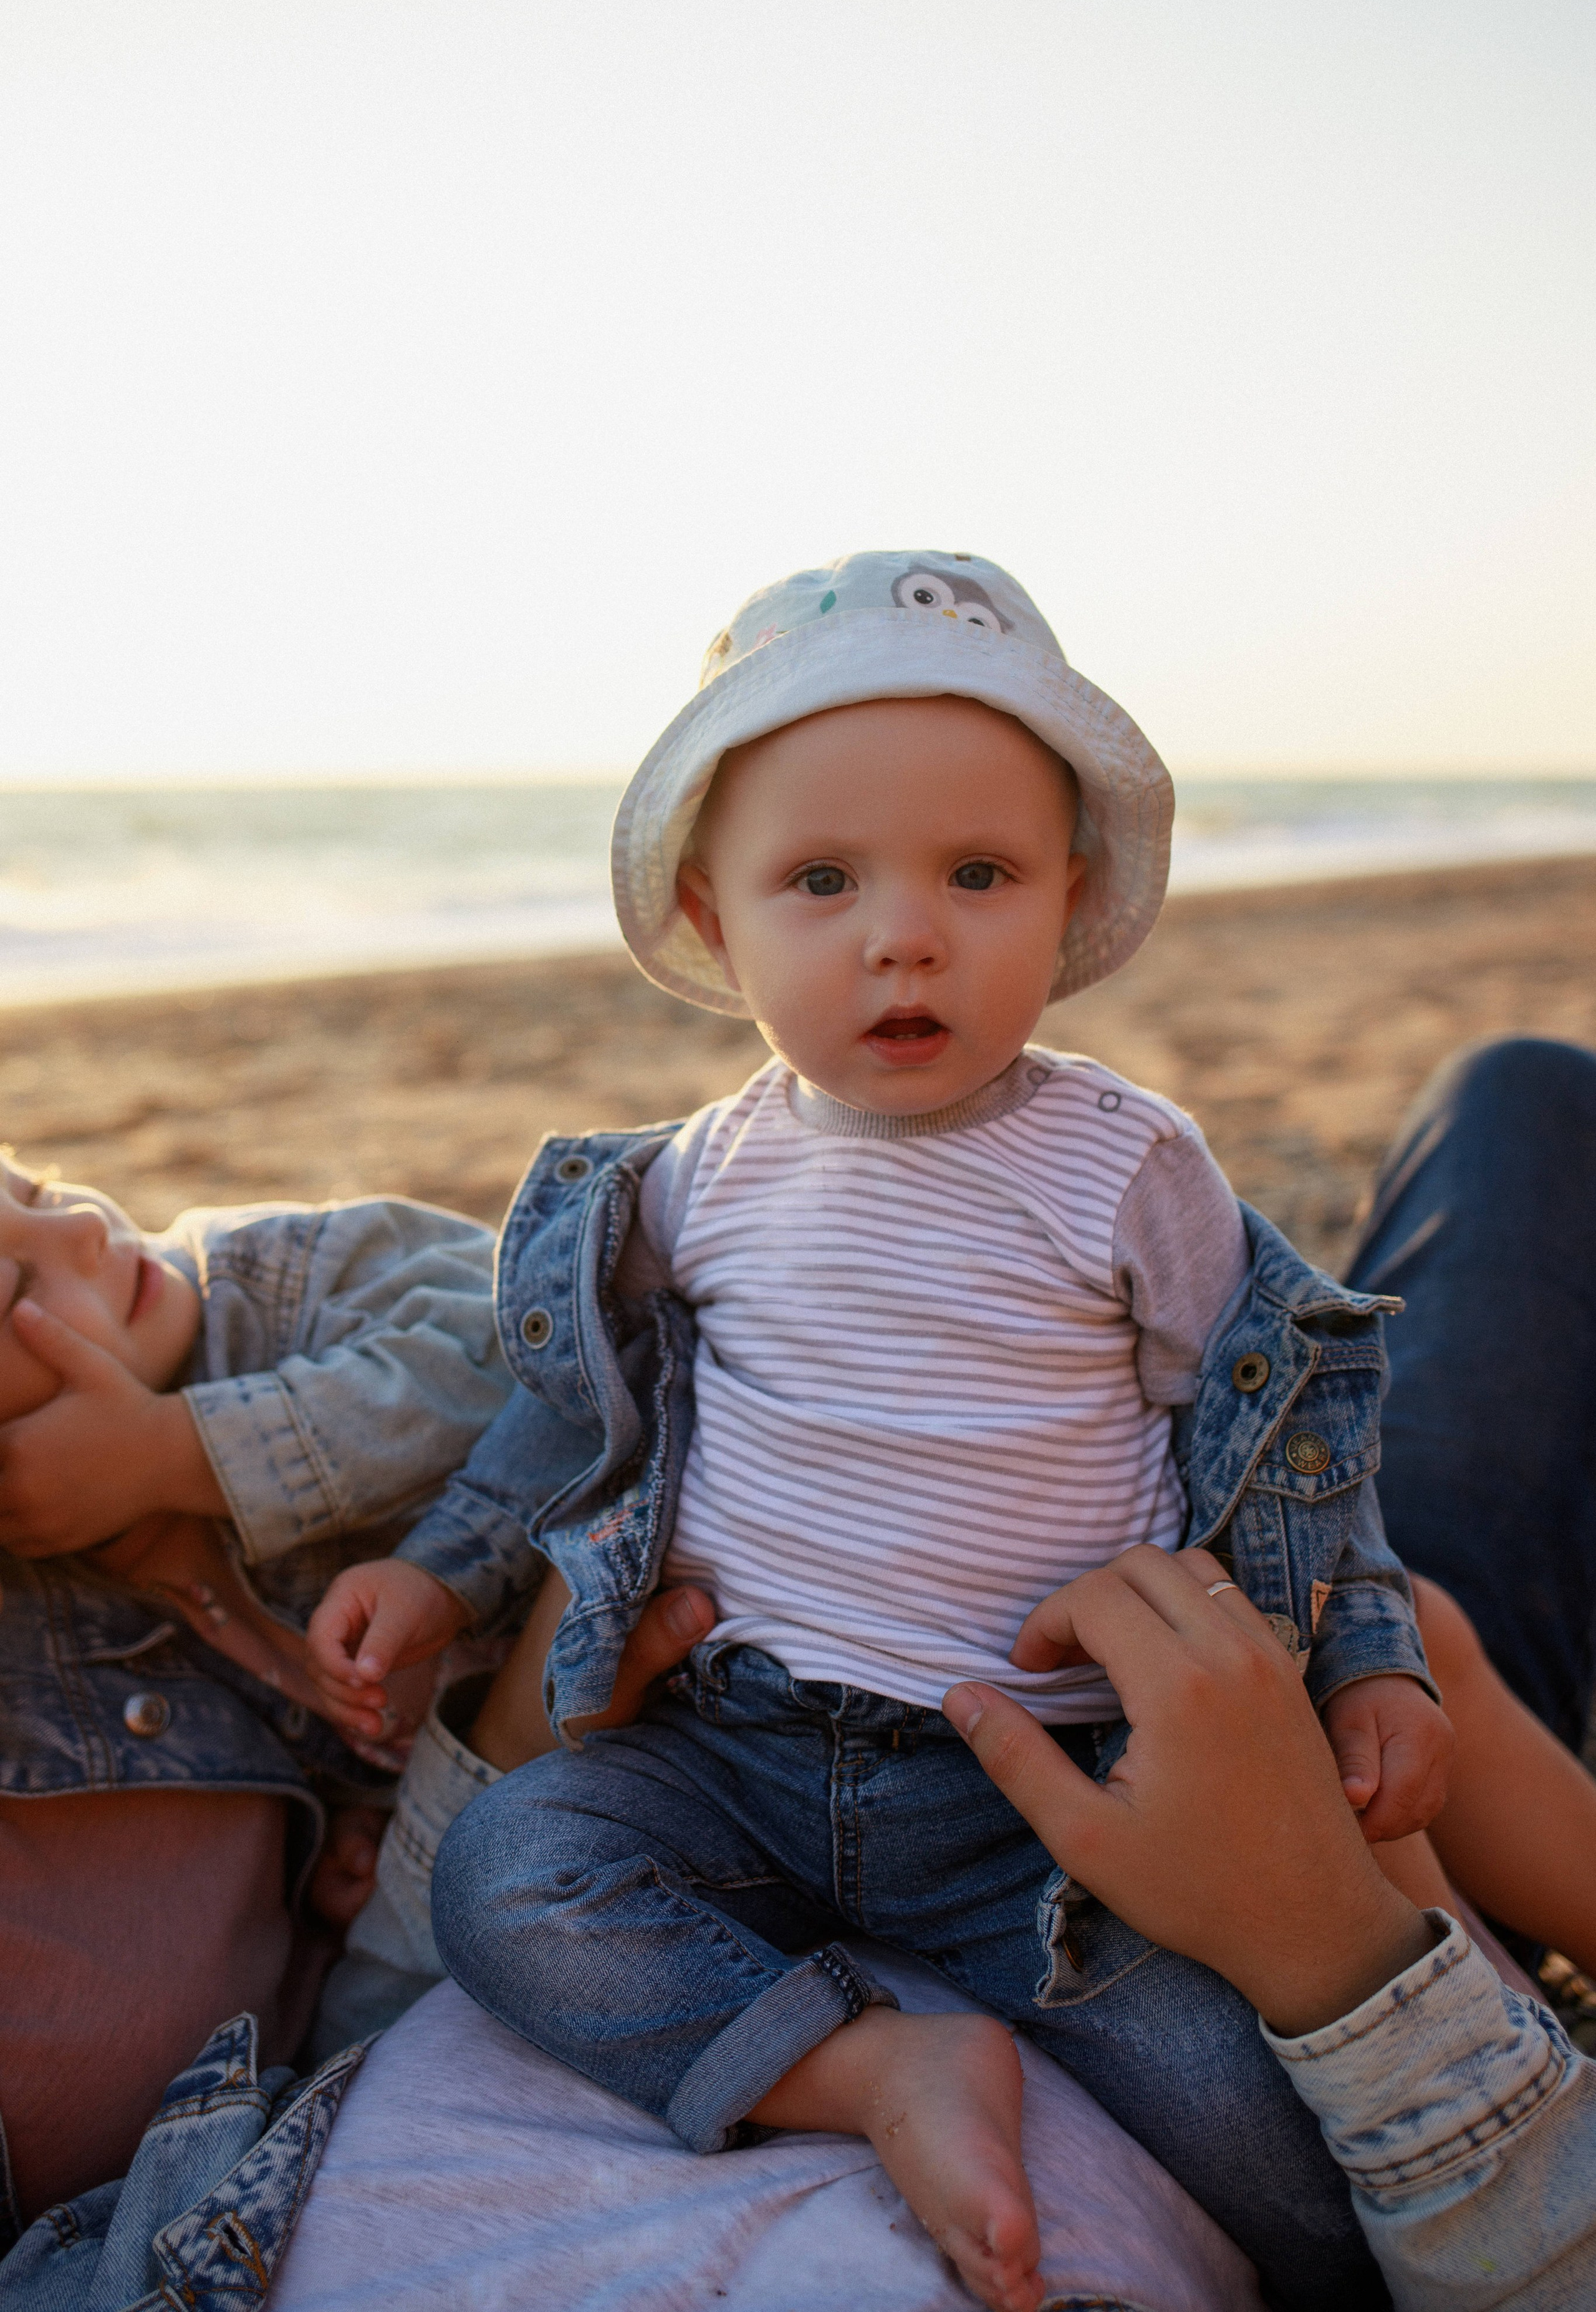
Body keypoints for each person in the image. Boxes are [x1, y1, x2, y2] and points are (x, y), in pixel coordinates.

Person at [307, 551, 1451, 2312]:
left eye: (977, 874)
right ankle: (872, 2068)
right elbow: (567, 1426)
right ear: (714, 917)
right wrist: (441, 1569)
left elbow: (1295, 1428)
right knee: (507, 1876)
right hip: (736, 1755)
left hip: (1046, 1812)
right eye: (821, 880)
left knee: (1296, 2185)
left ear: (1069, 900)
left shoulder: (1130, 1167)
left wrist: (1375, 1656)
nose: (901, 934)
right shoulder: (697, 1183)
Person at [0, 1150, 514, 2235]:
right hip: (489, 1822)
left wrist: (179, 1454)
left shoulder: (285, 1272)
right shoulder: (68, 1606)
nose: (86, 1232)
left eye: (37, 1190)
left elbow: (522, 1346)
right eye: (15, 1290)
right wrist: (340, 1863)